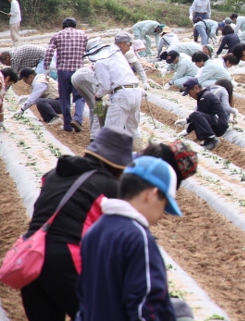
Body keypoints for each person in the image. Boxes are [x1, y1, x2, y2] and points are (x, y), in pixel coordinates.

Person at [21, 127, 132, 321]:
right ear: (117, 166)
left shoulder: (53, 174)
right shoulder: (108, 185)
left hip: (30, 257)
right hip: (66, 261)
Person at [76, 156, 181, 321]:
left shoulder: (93, 232)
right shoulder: (138, 238)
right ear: (151, 195)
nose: (161, 215)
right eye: (164, 206)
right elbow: (145, 308)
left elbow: (84, 300)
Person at [93, 32, 143, 145]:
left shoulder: (108, 57)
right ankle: (135, 155)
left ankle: (107, 154)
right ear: (122, 44)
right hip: (133, 91)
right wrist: (99, 97)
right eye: (129, 44)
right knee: (132, 129)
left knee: (110, 130)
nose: (130, 47)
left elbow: (104, 88)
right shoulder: (113, 56)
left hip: (119, 94)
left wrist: (98, 96)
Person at [43, 17, 88, 133]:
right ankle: (77, 119)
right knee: (79, 97)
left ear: (62, 26)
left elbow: (49, 51)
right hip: (79, 71)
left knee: (64, 98)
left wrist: (46, 68)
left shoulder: (57, 35)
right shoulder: (83, 35)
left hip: (63, 71)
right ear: (75, 26)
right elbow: (88, 51)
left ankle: (67, 124)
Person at [175, 78, 228, 150]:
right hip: (215, 122)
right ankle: (208, 140)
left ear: (196, 88)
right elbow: (199, 118)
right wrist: (187, 129)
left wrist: (187, 125)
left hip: (219, 124)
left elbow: (198, 115)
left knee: (195, 114)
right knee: (197, 116)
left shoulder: (205, 97)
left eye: (190, 93)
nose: (190, 96)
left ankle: (212, 140)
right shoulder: (203, 97)